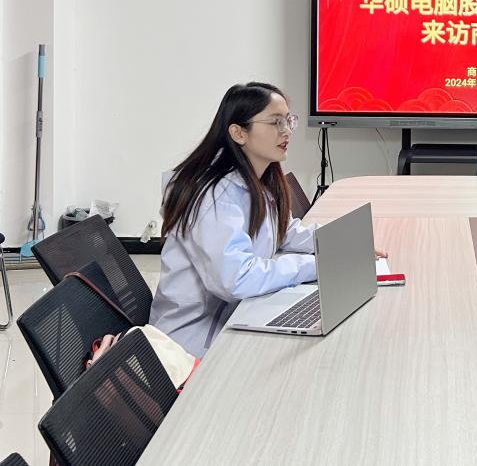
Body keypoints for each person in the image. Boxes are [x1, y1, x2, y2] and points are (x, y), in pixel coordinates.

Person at [151, 82, 384, 357]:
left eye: (288, 120)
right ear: (238, 133)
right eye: (275, 122)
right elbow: (237, 278)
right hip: (196, 342)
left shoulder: (258, 179)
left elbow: (285, 232)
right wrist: (320, 265)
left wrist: (343, 245)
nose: (287, 131)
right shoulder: (211, 195)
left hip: (238, 317)